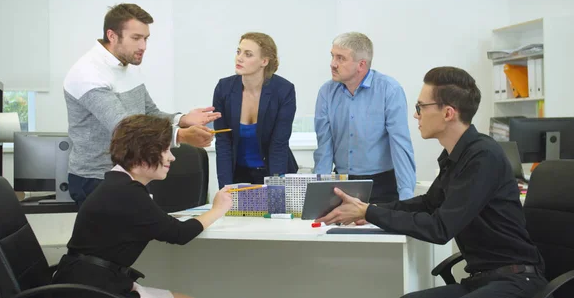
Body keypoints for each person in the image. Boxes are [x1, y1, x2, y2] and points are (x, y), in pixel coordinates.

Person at [316, 67, 548, 298]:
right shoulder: (456, 156)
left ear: (448, 113)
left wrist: (369, 212)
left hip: (517, 281)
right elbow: (428, 204)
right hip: (482, 280)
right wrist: (366, 210)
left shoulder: (483, 156)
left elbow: (440, 227)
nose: (416, 115)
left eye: (421, 107)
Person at [52, 114, 233, 298]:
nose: (172, 158)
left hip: (94, 282)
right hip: (92, 290)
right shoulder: (126, 192)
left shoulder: (118, 183)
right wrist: (217, 209)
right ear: (144, 151)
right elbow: (180, 233)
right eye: (166, 150)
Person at [63, 3, 221, 205]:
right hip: (96, 178)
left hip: (132, 173)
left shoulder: (127, 65)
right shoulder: (88, 73)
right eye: (136, 38)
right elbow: (125, 128)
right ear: (112, 36)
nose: (143, 46)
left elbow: (148, 113)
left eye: (145, 38)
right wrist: (180, 135)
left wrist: (182, 119)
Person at [313, 32, 416, 203]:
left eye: (341, 58)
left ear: (361, 65)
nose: (333, 64)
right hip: (342, 185)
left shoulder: (389, 90)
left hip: (382, 184)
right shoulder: (326, 92)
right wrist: (318, 196)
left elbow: (400, 144)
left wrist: (406, 197)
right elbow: (324, 148)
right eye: (332, 56)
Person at [212, 32, 298, 188]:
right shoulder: (223, 88)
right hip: (237, 173)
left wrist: (276, 189)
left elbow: (279, 144)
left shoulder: (284, 90)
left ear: (264, 61)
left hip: (273, 170)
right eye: (238, 52)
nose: (239, 58)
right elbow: (223, 142)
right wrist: (225, 187)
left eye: (248, 54)